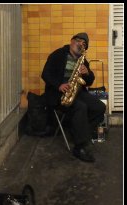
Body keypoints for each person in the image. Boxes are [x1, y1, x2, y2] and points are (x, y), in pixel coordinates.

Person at [41, 32, 106, 162]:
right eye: (78, 41)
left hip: (78, 92)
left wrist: (87, 73)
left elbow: (89, 81)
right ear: (71, 41)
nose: (81, 44)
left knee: (100, 107)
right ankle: (79, 147)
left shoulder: (82, 60)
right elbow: (45, 74)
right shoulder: (58, 55)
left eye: (84, 44)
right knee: (80, 107)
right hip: (59, 94)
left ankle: (79, 132)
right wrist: (59, 85)